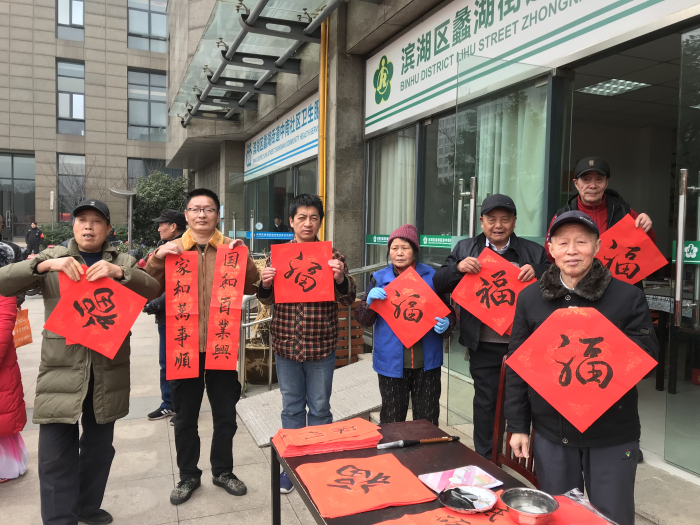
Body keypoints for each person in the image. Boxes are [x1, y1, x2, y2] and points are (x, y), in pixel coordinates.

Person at [0, 199, 161, 525]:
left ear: (108, 229)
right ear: (73, 226)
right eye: (82, 220)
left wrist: (121, 273)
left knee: (99, 450)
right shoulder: (54, 257)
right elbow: (4, 281)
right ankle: (61, 519)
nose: (89, 226)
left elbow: (153, 289)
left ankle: (87, 506)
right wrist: (44, 266)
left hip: (108, 373)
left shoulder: (123, 260)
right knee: (55, 456)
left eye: (97, 221)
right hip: (61, 372)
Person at [506, 210, 659, 525]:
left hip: (612, 432)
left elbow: (647, 359)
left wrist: (597, 331)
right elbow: (518, 365)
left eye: (581, 242)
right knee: (559, 515)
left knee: (612, 516)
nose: (572, 251)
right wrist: (518, 426)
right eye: (563, 243)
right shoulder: (530, 298)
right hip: (552, 430)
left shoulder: (628, 297)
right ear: (551, 248)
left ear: (597, 246)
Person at [145, 189, 260, 506]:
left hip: (221, 345)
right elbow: (147, 286)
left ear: (217, 215)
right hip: (184, 346)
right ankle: (188, 476)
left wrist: (245, 257)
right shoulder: (171, 250)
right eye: (195, 209)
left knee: (225, 416)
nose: (202, 214)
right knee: (185, 417)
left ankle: (223, 471)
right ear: (186, 215)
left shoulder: (230, 249)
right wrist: (157, 257)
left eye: (208, 209)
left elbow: (252, 285)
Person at [433, 194, 550, 460]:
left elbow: (557, 282)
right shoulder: (465, 248)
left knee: (524, 400)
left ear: (515, 222)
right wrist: (458, 268)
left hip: (523, 343)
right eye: (492, 219)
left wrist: (539, 271)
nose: (498, 225)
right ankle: (486, 457)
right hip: (483, 342)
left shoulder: (533, 251)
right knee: (486, 401)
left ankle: (521, 457)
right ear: (481, 221)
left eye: (505, 219)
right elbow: (439, 283)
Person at [257, 193, 356, 494]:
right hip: (286, 344)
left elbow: (349, 299)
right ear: (291, 221)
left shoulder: (333, 256)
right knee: (291, 408)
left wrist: (340, 279)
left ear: (320, 222)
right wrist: (265, 284)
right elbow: (266, 300)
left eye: (314, 217)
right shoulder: (276, 256)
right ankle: (293, 466)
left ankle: (319, 465)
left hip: (321, 345)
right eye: (301, 217)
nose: (308, 223)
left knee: (321, 408)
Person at [354, 224, 455, 426]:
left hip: (427, 364)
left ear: (415, 250)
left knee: (427, 423)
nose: (399, 253)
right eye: (394, 248)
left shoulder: (432, 276)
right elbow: (364, 319)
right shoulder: (379, 279)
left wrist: (448, 323)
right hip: (391, 363)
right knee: (392, 421)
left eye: (405, 248)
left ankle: (425, 449)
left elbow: (449, 312)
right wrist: (368, 303)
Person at [545, 157, 656, 260]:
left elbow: (648, 248)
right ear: (576, 183)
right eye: (586, 180)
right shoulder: (562, 216)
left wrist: (646, 227)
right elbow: (550, 255)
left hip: (614, 274)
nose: (593, 185)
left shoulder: (624, 212)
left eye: (599, 179)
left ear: (606, 182)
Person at [142, 209, 187, 422]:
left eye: (162, 224)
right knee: (166, 363)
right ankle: (169, 404)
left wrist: (156, 303)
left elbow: (182, 283)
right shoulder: (165, 247)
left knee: (179, 364)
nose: (159, 228)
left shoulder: (182, 249)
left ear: (173, 227)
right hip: (165, 315)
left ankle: (181, 407)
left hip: (179, 316)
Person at [0, 243, 28, 483]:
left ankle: (6, 467)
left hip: (2, 366)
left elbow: (3, 327)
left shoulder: (4, 290)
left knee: (3, 420)